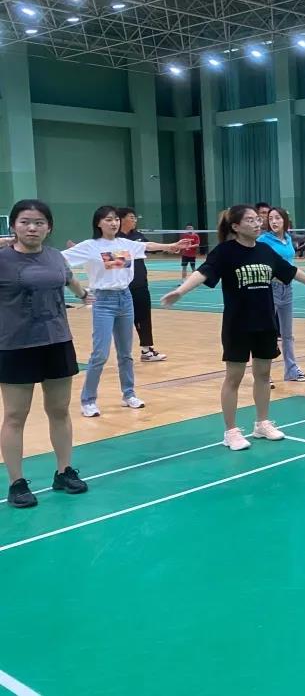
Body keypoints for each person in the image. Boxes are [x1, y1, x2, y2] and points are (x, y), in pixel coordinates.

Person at [161, 206, 305, 450]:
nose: (258, 224)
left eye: (257, 220)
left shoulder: (265, 250)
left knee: (263, 375)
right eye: (251, 220)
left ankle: (262, 423)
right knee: (234, 377)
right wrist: (180, 291)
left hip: (265, 322)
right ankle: (230, 431)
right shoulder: (225, 252)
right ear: (235, 226)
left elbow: (290, 271)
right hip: (238, 324)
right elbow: (203, 273)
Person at [1, 200, 90, 508]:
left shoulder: (55, 257)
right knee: (15, 415)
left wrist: (84, 295)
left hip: (57, 341)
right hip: (15, 346)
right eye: (25, 222)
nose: (32, 228)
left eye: (39, 222)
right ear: (13, 226)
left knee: (60, 410)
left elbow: (68, 278)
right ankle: (16, 482)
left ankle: (64, 471)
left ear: (49, 227)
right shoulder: (2, 259)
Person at [63, 206, 185, 417]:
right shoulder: (90, 246)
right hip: (103, 301)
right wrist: (79, 290)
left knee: (125, 353)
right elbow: (60, 259)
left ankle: (129, 394)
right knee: (100, 354)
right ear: (98, 223)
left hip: (125, 299)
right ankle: (88, 400)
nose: (114, 223)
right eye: (108, 219)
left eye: (116, 219)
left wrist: (171, 246)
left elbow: (147, 245)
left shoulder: (125, 244)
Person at [257, 207, 305, 383]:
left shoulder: (287, 238)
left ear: (284, 220)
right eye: (271, 218)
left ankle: (292, 371)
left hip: (287, 289)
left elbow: (290, 266)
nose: (274, 221)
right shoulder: (263, 240)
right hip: (269, 289)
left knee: (287, 334)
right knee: (266, 333)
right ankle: (264, 374)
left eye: (277, 218)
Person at [118, 207, 166, 362]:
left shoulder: (137, 236)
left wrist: (171, 247)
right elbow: (112, 262)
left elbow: (149, 247)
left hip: (140, 284)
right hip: (121, 287)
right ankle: (122, 353)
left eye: (135, 217)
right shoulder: (114, 239)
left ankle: (147, 350)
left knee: (144, 316)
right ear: (122, 219)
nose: (134, 220)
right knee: (121, 321)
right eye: (131, 217)